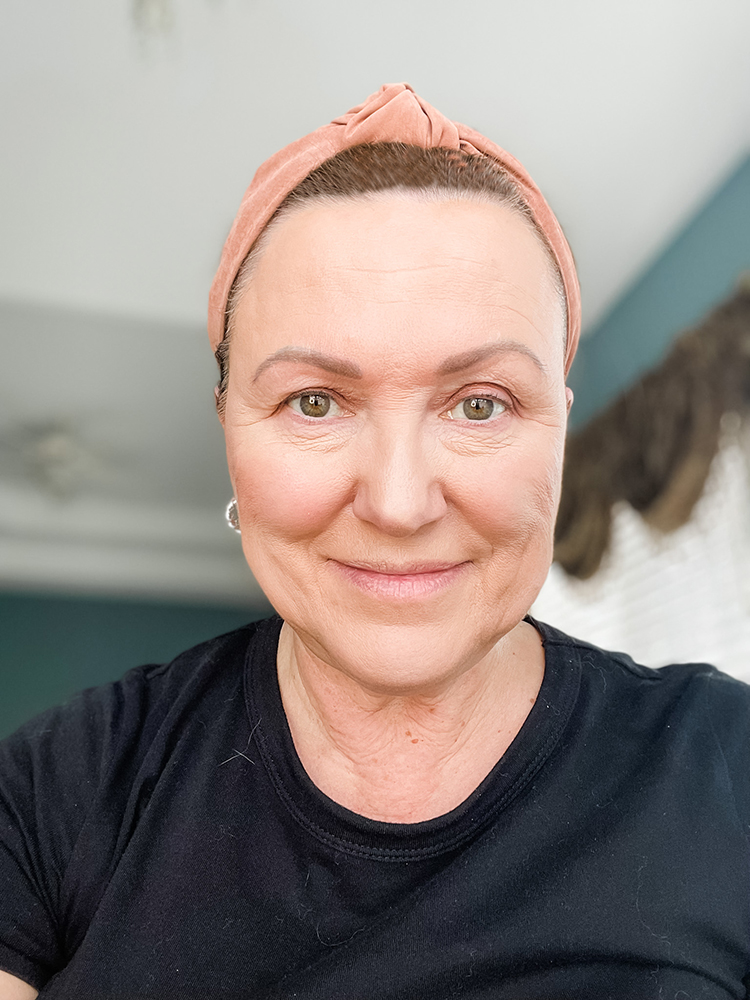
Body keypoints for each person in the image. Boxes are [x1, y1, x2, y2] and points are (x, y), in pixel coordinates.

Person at [0, 83, 748, 1000]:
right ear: (229, 431)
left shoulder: (729, 768)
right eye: (314, 402)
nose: (398, 503)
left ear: (559, 427)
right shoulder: (52, 793)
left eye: (481, 404)